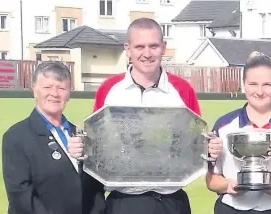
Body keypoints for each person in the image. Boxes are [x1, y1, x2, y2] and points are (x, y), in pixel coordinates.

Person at [67, 18, 201, 214]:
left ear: (163, 47)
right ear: (128, 49)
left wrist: (210, 149)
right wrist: (80, 147)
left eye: (153, 46)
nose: (147, 54)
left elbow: (195, 143)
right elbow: (96, 144)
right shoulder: (109, 89)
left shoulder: (182, 90)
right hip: (123, 201)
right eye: (140, 47)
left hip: (171, 202)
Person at [205, 51, 271, 214]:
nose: (260, 91)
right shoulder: (223, 125)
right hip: (233, 208)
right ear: (244, 84)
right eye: (253, 84)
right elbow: (211, 179)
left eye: (267, 85)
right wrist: (228, 185)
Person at [1, 61, 106, 214]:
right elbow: (21, 196)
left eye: (62, 88)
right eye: (47, 87)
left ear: (69, 93)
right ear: (34, 89)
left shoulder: (81, 134)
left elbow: (96, 190)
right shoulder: (16, 137)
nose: (55, 94)